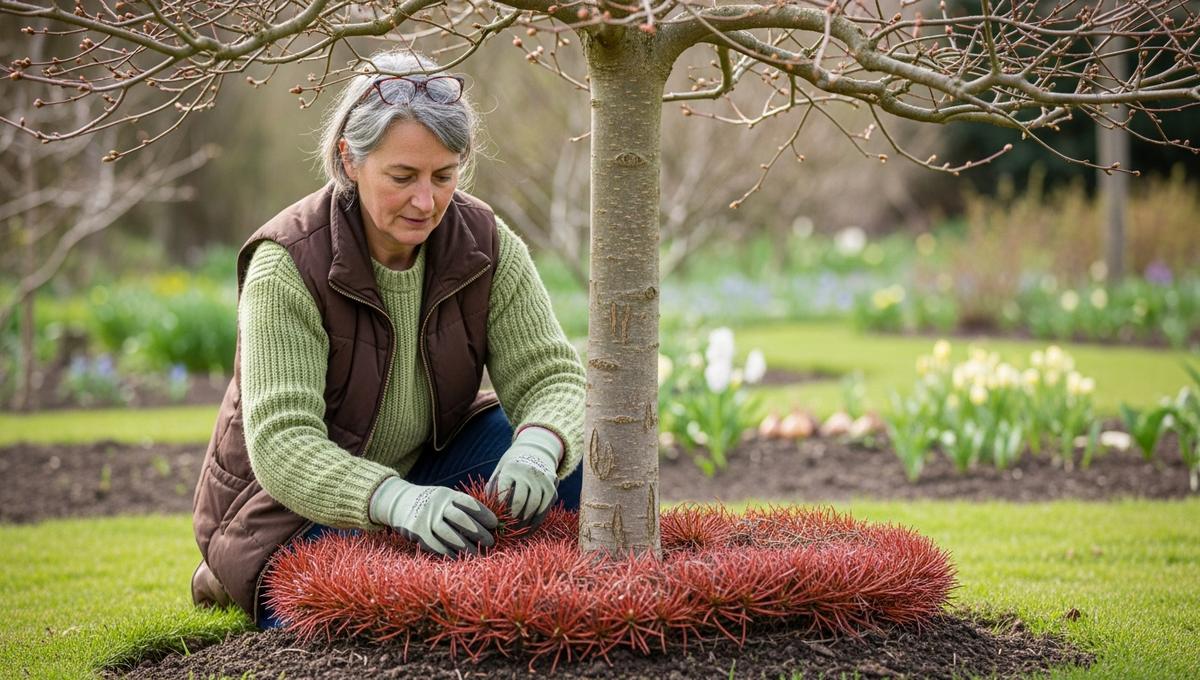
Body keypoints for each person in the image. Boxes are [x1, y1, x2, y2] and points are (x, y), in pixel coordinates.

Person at [190, 49, 586, 629]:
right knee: (366, 613)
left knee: (571, 460)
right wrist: (398, 502)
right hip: (289, 515)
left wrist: (539, 446)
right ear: (350, 159)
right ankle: (233, 575)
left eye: (444, 176)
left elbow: (552, 376)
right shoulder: (287, 266)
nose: (426, 202)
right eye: (402, 177)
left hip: (423, 469)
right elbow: (283, 444)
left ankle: (477, 565)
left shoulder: (485, 245)